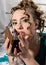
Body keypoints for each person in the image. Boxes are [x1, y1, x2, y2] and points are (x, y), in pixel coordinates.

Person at [4, 0, 46, 65]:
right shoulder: (14, 46)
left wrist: (26, 57)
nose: (19, 26)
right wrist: (14, 59)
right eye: (15, 23)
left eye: (25, 20)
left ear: (36, 24)